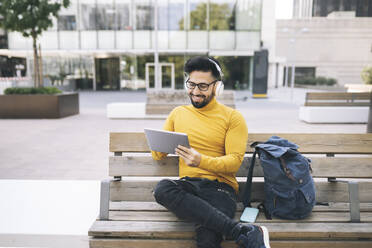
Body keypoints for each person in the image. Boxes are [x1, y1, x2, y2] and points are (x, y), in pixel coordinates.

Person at [151, 56, 270, 248]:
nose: (195, 92)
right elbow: (158, 155)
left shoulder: (233, 118)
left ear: (217, 87)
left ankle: (240, 231)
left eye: (203, 86)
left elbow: (234, 161)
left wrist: (201, 161)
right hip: (188, 187)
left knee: (208, 239)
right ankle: (241, 231)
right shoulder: (178, 113)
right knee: (163, 189)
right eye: (191, 84)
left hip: (220, 189)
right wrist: (160, 144)